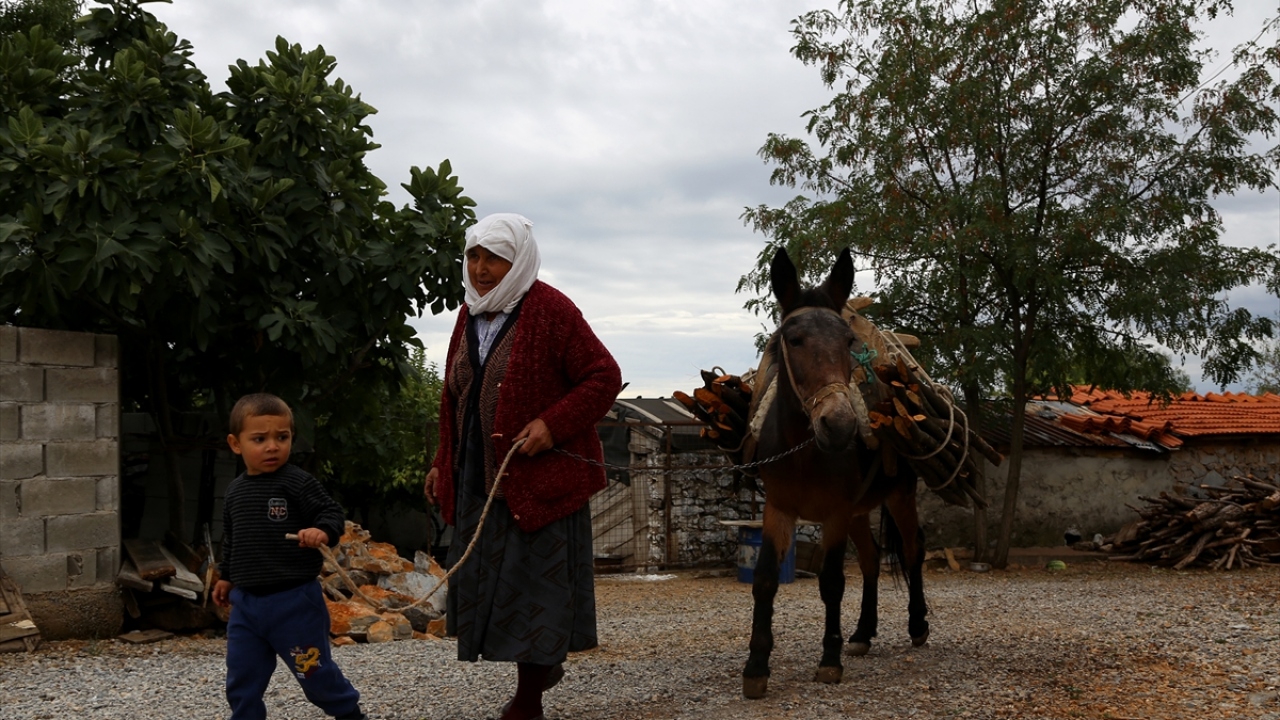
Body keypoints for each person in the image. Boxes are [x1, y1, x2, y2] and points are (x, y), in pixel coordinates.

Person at [424, 213, 622, 720]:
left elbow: (603, 376)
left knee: (537, 587)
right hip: (479, 476)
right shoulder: (470, 314)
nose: (481, 268)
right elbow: (456, 396)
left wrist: (552, 425)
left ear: (519, 261)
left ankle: (528, 699)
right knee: (493, 583)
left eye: (494, 257)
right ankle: (542, 665)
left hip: (537, 479)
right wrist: (443, 462)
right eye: (474, 256)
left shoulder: (552, 309)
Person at [213, 393, 367, 720]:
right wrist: (226, 576)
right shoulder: (235, 492)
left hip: (295, 604)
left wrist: (322, 531)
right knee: (242, 677)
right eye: (260, 439)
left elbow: (330, 512)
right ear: (235, 443)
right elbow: (232, 540)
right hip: (247, 607)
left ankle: (349, 714)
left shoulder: (296, 482)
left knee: (315, 675)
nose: (272, 446)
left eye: (281, 437)